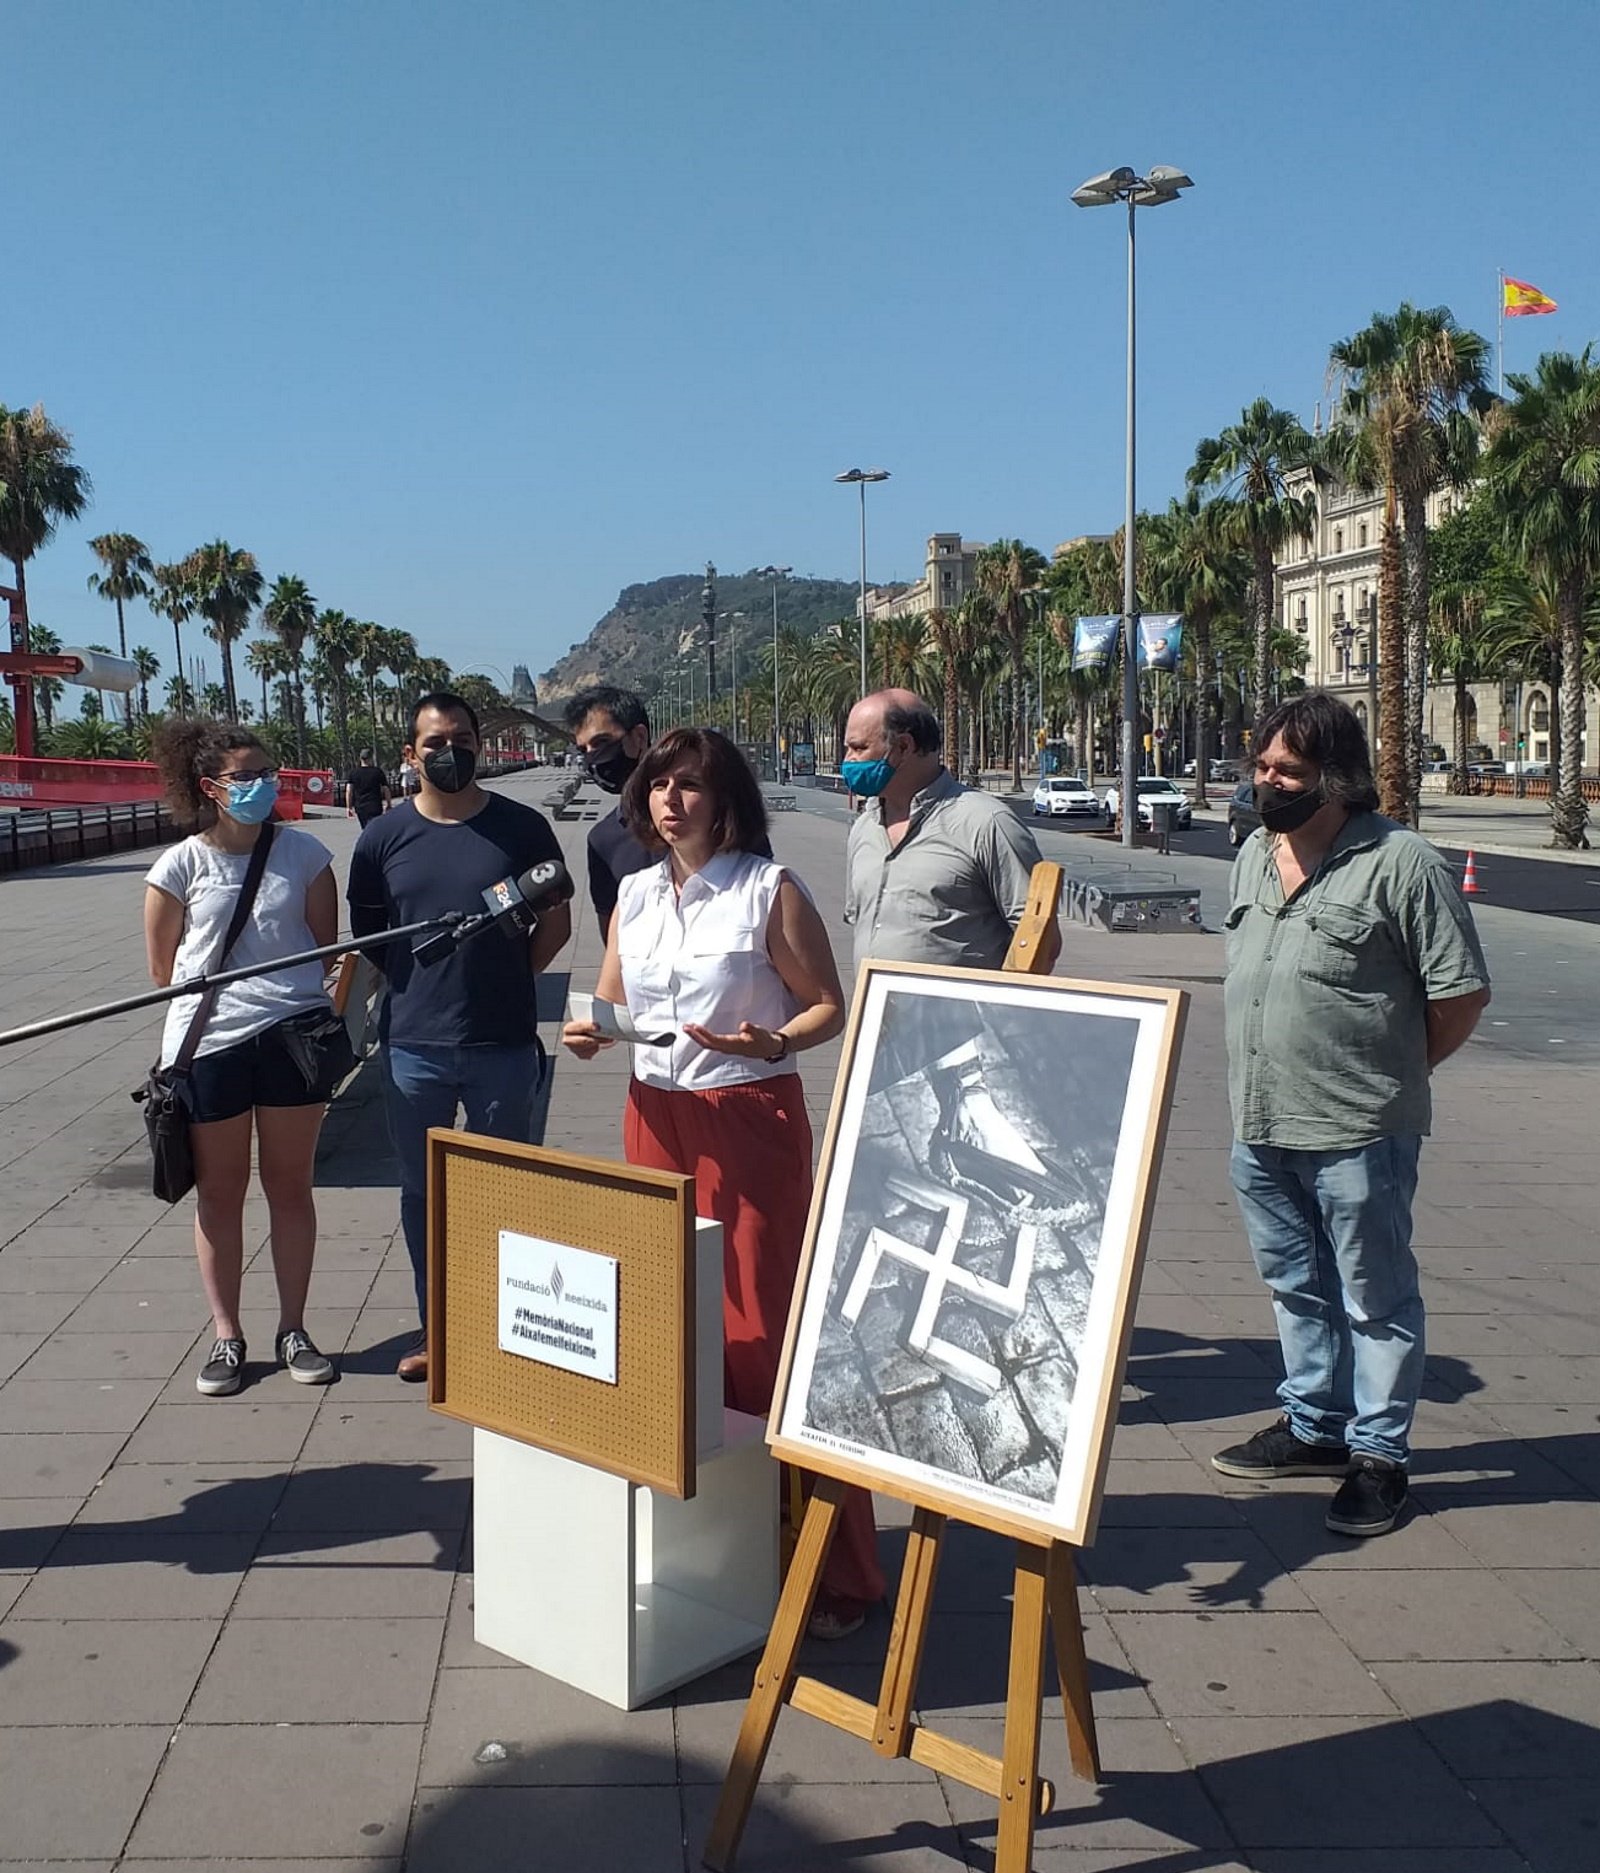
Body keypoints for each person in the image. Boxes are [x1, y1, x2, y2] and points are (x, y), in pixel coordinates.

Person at [560, 726, 884, 1639]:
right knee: (672, 1330)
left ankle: (834, 1565)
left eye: (691, 785)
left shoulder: (768, 889)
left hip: (749, 1119)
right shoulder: (631, 892)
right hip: (654, 1118)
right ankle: (715, 1546)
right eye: (660, 784)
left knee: (765, 1333)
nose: (671, 800)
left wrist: (774, 1039)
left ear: (726, 796)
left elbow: (829, 1004)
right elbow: (612, 1003)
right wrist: (589, 1030)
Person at [1212, 692, 1490, 1537]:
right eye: (1261, 766)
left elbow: (1461, 994)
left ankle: (1380, 1457)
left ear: (1336, 780)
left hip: (1359, 1129)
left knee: (1375, 1296)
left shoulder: (1404, 864)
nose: (1267, 782)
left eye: (1286, 771)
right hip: (1258, 1123)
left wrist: (1393, 1073)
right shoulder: (1255, 855)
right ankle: (1313, 1426)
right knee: (1296, 1288)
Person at [348, 691, 572, 1380]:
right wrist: (422, 990)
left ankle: (513, 1329)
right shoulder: (382, 839)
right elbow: (370, 937)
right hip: (414, 1047)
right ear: (410, 754)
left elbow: (556, 924)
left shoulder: (523, 827)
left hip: (502, 1045)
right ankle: (438, 1329)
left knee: (511, 1191)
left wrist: (504, 978)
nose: (452, 751)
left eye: (463, 738)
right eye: (436, 741)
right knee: (423, 1194)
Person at [144, 720, 340, 1397]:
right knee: (220, 1194)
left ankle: (294, 1328)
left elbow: (324, 949)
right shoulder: (180, 865)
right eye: (246, 775)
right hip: (211, 1046)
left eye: (268, 770)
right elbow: (164, 969)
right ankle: (227, 1334)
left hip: (291, 1039)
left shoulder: (307, 855)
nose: (263, 784)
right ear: (211, 787)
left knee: (290, 1186)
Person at [842, 688, 1059, 977]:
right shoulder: (864, 828)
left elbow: (1040, 939)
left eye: (858, 748)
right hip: (879, 1018)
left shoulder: (987, 823)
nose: (849, 759)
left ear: (904, 747)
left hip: (965, 1021)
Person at [562, 685, 656, 935]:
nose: (593, 759)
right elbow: (614, 941)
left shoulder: (710, 815)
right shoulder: (603, 840)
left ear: (639, 738)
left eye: (602, 742)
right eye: (584, 751)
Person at [346, 750, 391, 826]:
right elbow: (386, 789)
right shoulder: (377, 772)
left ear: (360, 758)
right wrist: (388, 804)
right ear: (371, 758)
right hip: (375, 806)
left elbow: (349, 790)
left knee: (365, 828)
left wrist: (348, 807)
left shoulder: (353, 773)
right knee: (375, 828)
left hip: (360, 806)